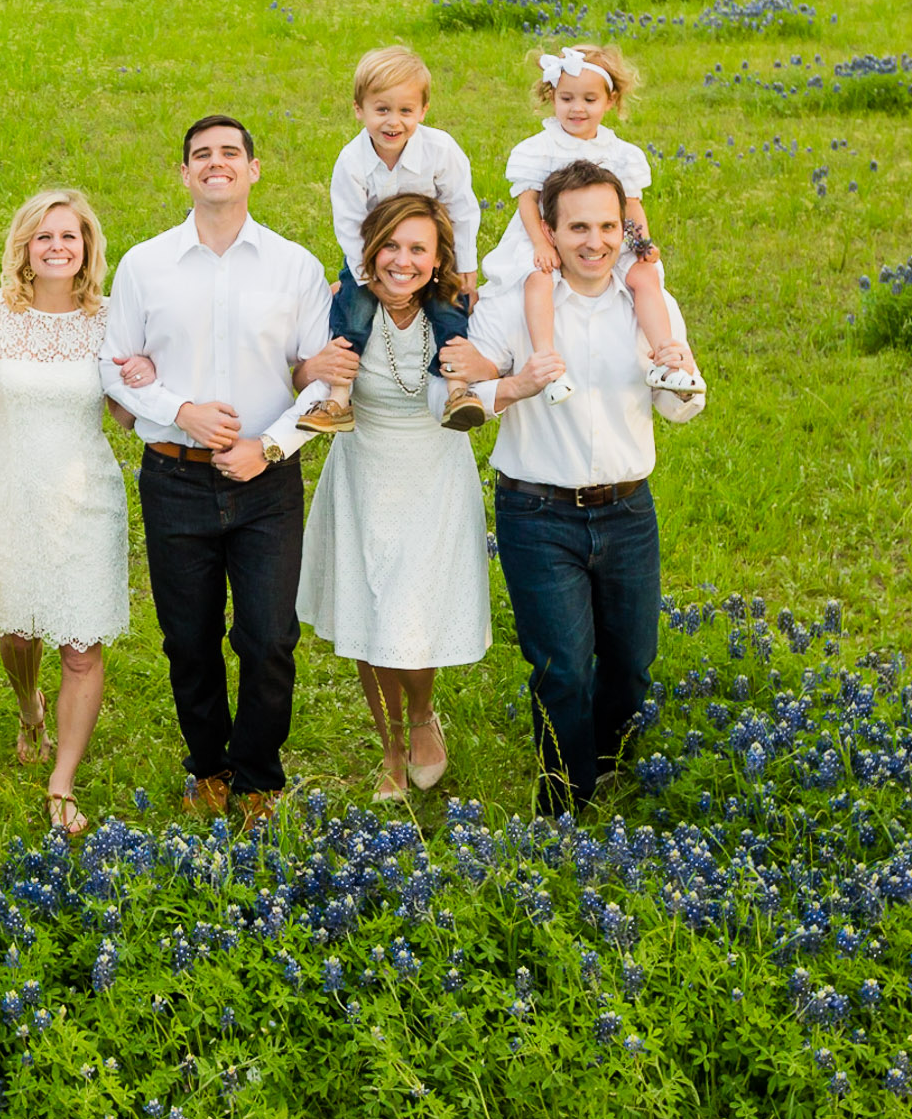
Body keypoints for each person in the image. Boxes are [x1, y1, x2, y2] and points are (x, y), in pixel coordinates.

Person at [442, 159, 706, 814]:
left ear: (626, 228)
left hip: (626, 510)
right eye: (579, 226)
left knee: (631, 662)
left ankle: (613, 770)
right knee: (561, 664)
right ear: (550, 233)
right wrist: (519, 384)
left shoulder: (651, 305)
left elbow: (682, 408)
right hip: (537, 511)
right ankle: (565, 799)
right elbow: (462, 396)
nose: (596, 241)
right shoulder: (513, 310)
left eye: (608, 226)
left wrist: (674, 372)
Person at [98, 114, 330, 824]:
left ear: (254, 170)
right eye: (202, 155)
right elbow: (114, 369)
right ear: (185, 174)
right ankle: (208, 766)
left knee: (268, 637)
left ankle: (259, 775)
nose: (216, 163)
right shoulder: (145, 264)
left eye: (231, 153)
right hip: (174, 475)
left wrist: (270, 445)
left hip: (267, 480)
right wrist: (181, 408)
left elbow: (324, 382)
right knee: (188, 638)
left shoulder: (296, 267)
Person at [296, 195, 498, 801]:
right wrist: (313, 369)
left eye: (418, 249)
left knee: (413, 611)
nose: (401, 261)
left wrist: (487, 367)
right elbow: (292, 370)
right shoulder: (341, 309)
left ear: (438, 260)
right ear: (369, 250)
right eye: (390, 246)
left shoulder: (457, 313)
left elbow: (489, 381)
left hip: (434, 473)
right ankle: (389, 747)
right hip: (362, 468)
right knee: (370, 613)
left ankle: (421, 713)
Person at [0, 189, 129, 834]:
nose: (57, 246)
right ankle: (30, 703)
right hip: (16, 497)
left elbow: (128, 414)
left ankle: (63, 783)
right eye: (44, 236)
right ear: (25, 247)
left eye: (70, 236)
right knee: (17, 633)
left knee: (81, 647)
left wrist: (147, 382)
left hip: (87, 500)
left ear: (87, 248)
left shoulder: (109, 319)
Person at [482, 43, 688, 405]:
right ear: (552, 97)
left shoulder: (621, 154)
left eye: (589, 100)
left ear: (610, 101)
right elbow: (528, 202)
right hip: (546, 232)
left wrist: (642, 243)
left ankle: (665, 359)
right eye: (567, 98)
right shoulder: (540, 147)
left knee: (645, 277)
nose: (577, 108)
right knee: (538, 279)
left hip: (606, 235)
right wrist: (541, 245)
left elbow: (632, 207)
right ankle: (548, 366)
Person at [297, 45, 485, 434]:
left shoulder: (440, 150)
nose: (393, 121)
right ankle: (338, 397)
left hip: (430, 254)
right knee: (351, 314)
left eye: (405, 110)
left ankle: (457, 389)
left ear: (423, 111)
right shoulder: (351, 162)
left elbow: (462, 207)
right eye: (381, 109)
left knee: (450, 309)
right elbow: (349, 226)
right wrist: (371, 281)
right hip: (372, 258)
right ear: (359, 110)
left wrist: (465, 266)